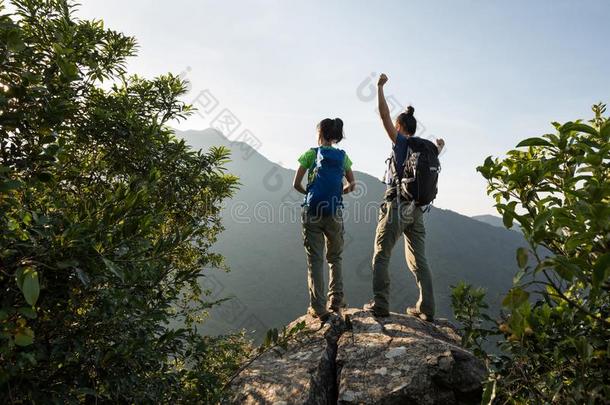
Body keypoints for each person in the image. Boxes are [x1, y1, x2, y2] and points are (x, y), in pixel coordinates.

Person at [365, 73, 445, 321]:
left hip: (397, 206)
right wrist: (440, 145)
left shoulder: (401, 143)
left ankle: (380, 304)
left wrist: (379, 88)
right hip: (419, 210)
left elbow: (383, 115)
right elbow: (436, 153)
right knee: (419, 259)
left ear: (400, 128)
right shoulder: (428, 148)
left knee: (381, 254)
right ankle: (427, 308)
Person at [293, 118, 356, 321]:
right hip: (334, 212)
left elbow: (296, 183)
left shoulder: (311, 154)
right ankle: (336, 300)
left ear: (320, 133)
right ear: (336, 136)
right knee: (335, 258)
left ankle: (319, 308)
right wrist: (339, 192)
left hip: (312, 211)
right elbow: (352, 184)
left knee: (315, 260)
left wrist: (310, 194)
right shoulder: (343, 157)